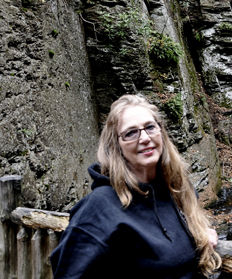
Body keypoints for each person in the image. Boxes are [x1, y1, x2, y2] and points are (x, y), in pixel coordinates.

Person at [51, 94, 221, 279]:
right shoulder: (99, 207)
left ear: (161, 132)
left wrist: (198, 234)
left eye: (150, 127)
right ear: (116, 145)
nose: (145, 138)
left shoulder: (177, 191)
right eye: (131, 133)